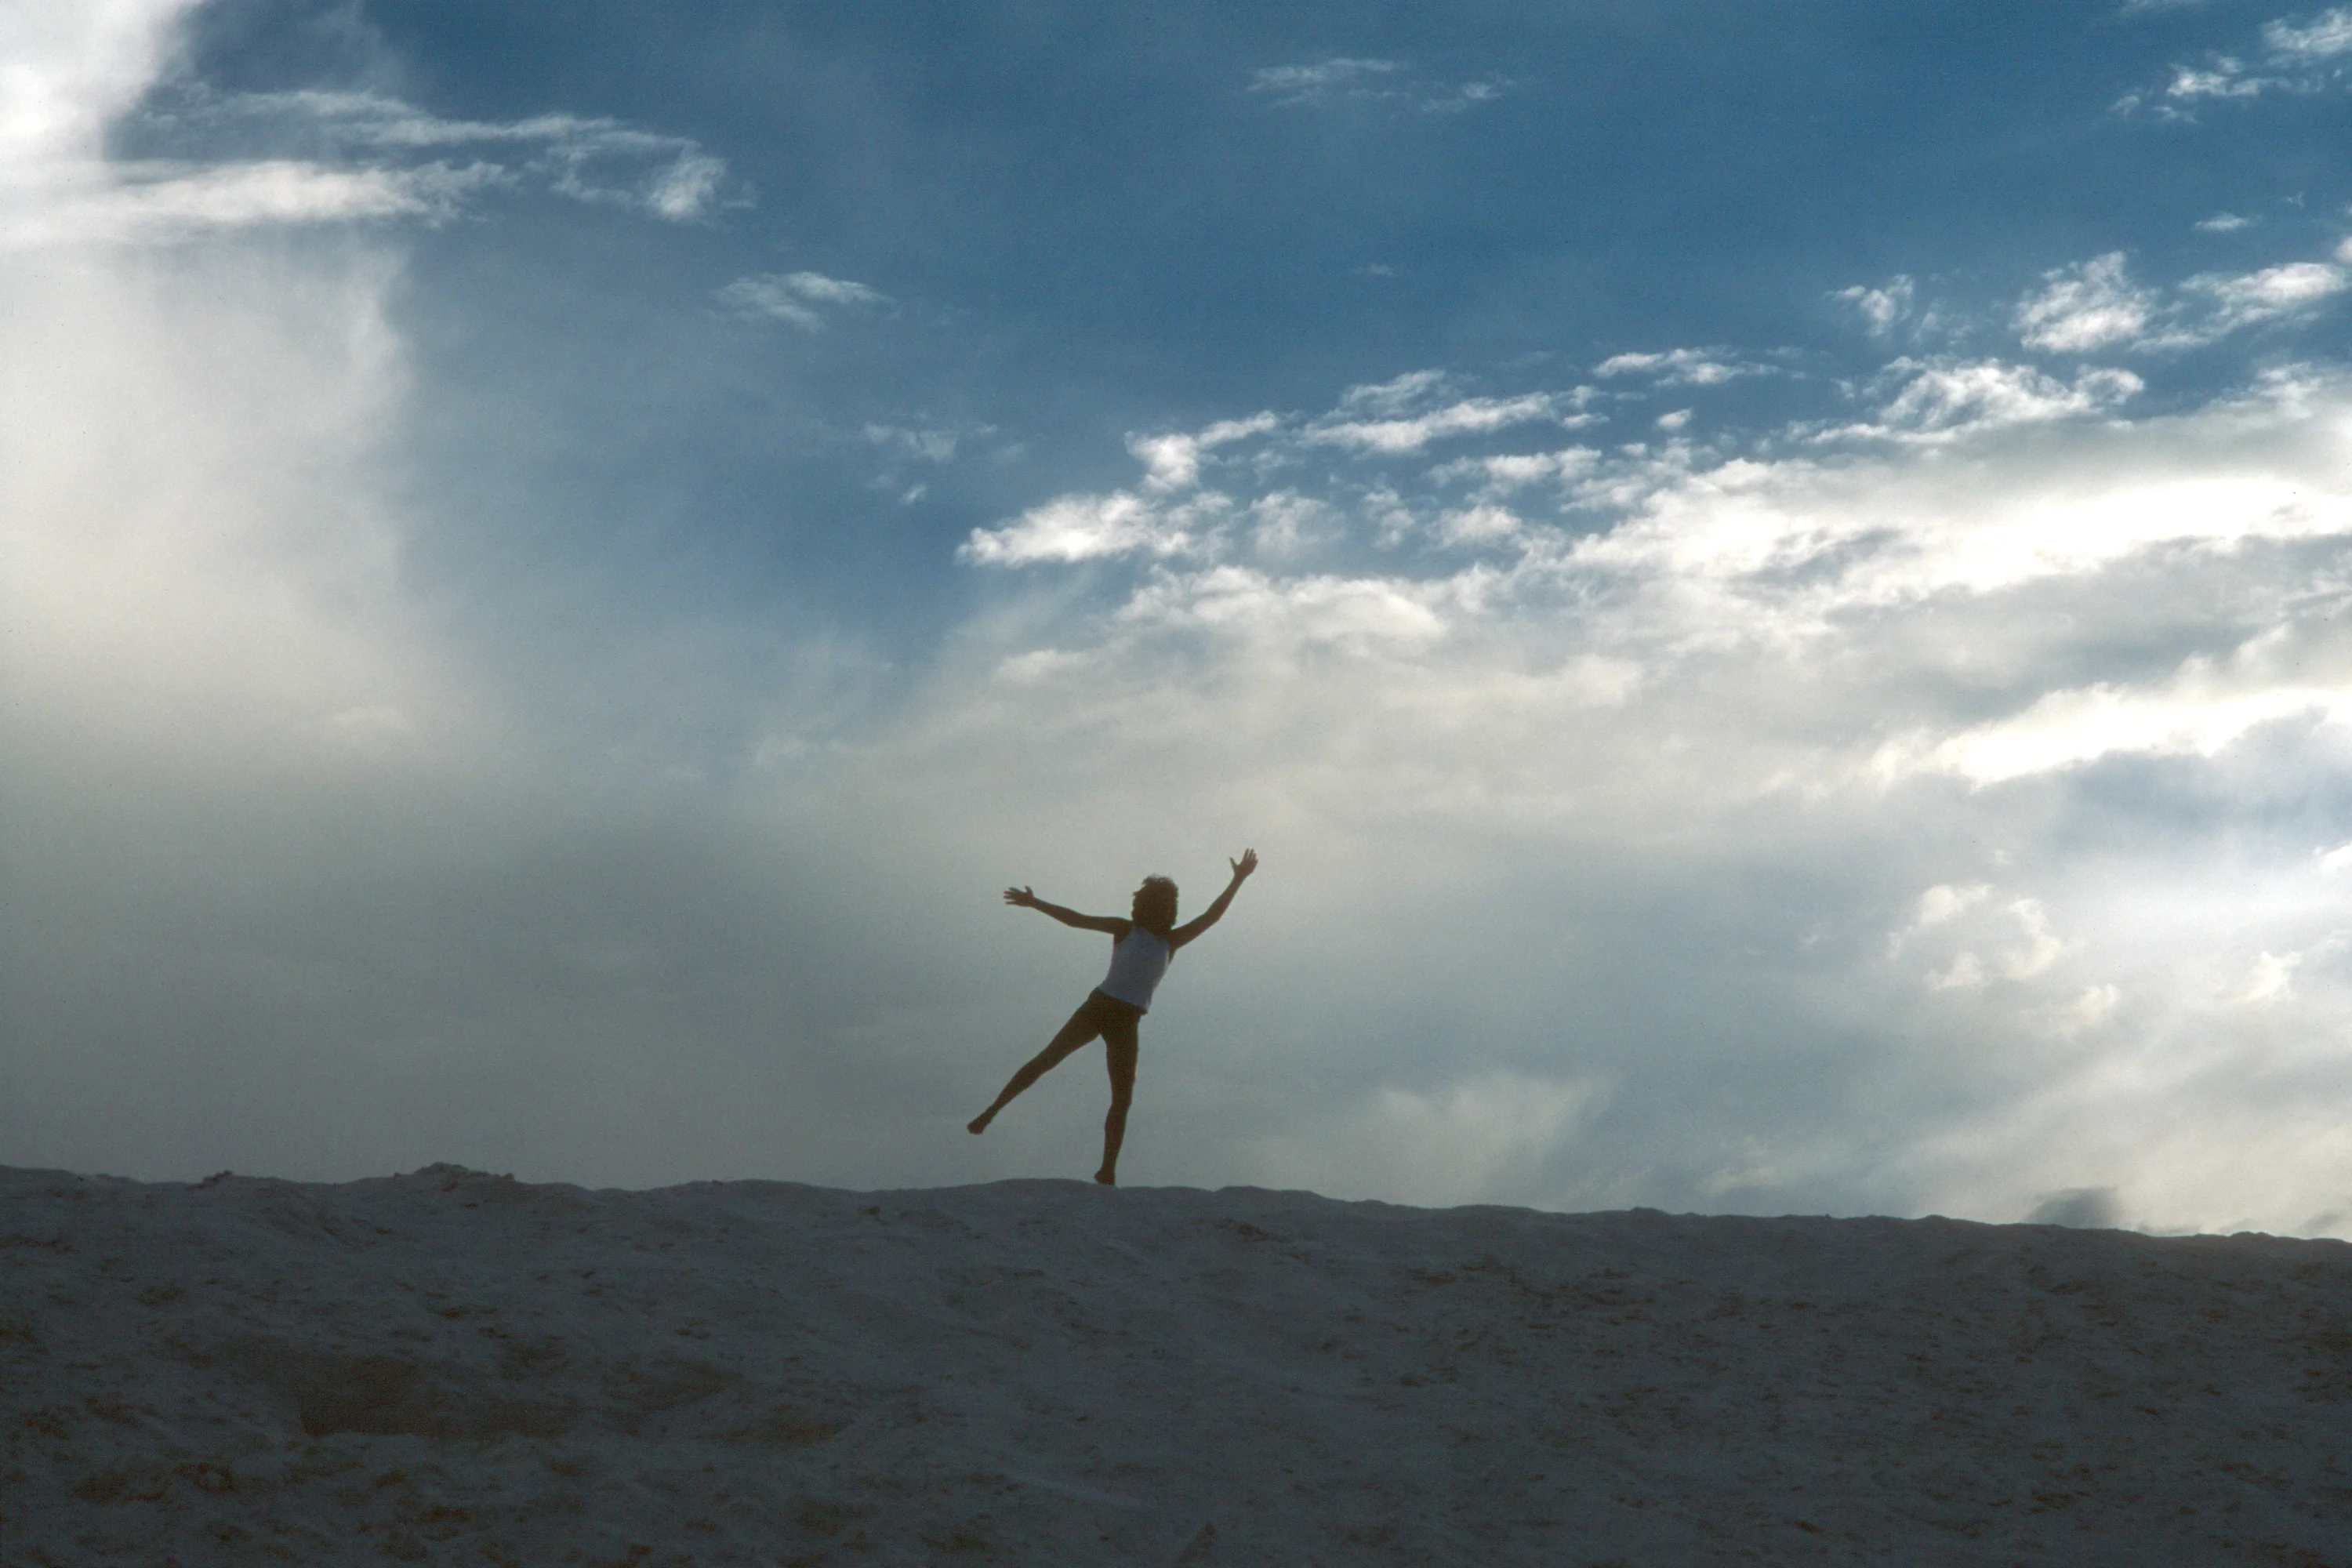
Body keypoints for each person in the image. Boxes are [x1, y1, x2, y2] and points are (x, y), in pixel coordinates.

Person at [967, 850, 1259, 1185]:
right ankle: (990, 1112)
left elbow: (1212, 917)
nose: (1163, 912)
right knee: (1047, 1060)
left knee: (1122, 1098)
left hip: (1127, 1021)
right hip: (1098, 1007)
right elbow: (1077, 919)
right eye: (1157, 905)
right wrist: (1036, 904)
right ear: (1143, 907)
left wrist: (1238, 879)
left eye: (1168, 908)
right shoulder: (1125, 930)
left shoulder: (1172, 941)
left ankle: (1107, 1169)